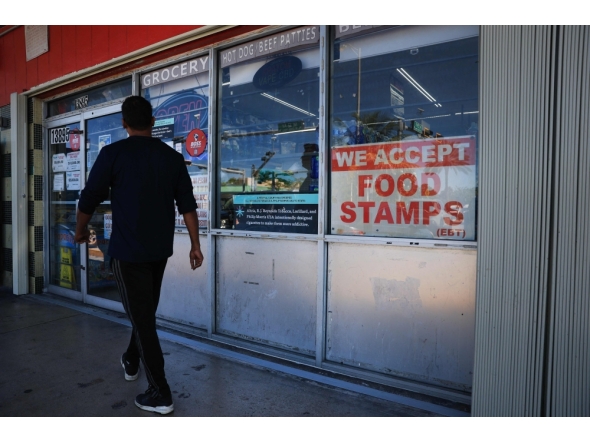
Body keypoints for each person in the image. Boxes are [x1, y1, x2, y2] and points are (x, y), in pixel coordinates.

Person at [74, 95, 204, 415]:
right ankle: (132, 359)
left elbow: (90, 197)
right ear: (153, 122)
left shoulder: (113, 153)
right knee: (143, 314)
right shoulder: (171, 158)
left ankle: (160, 392)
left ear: (124, 123)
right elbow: (187, 204)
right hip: (158, 252)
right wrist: (195, 244)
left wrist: (79, 230)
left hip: (127, 254)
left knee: (143, 319)